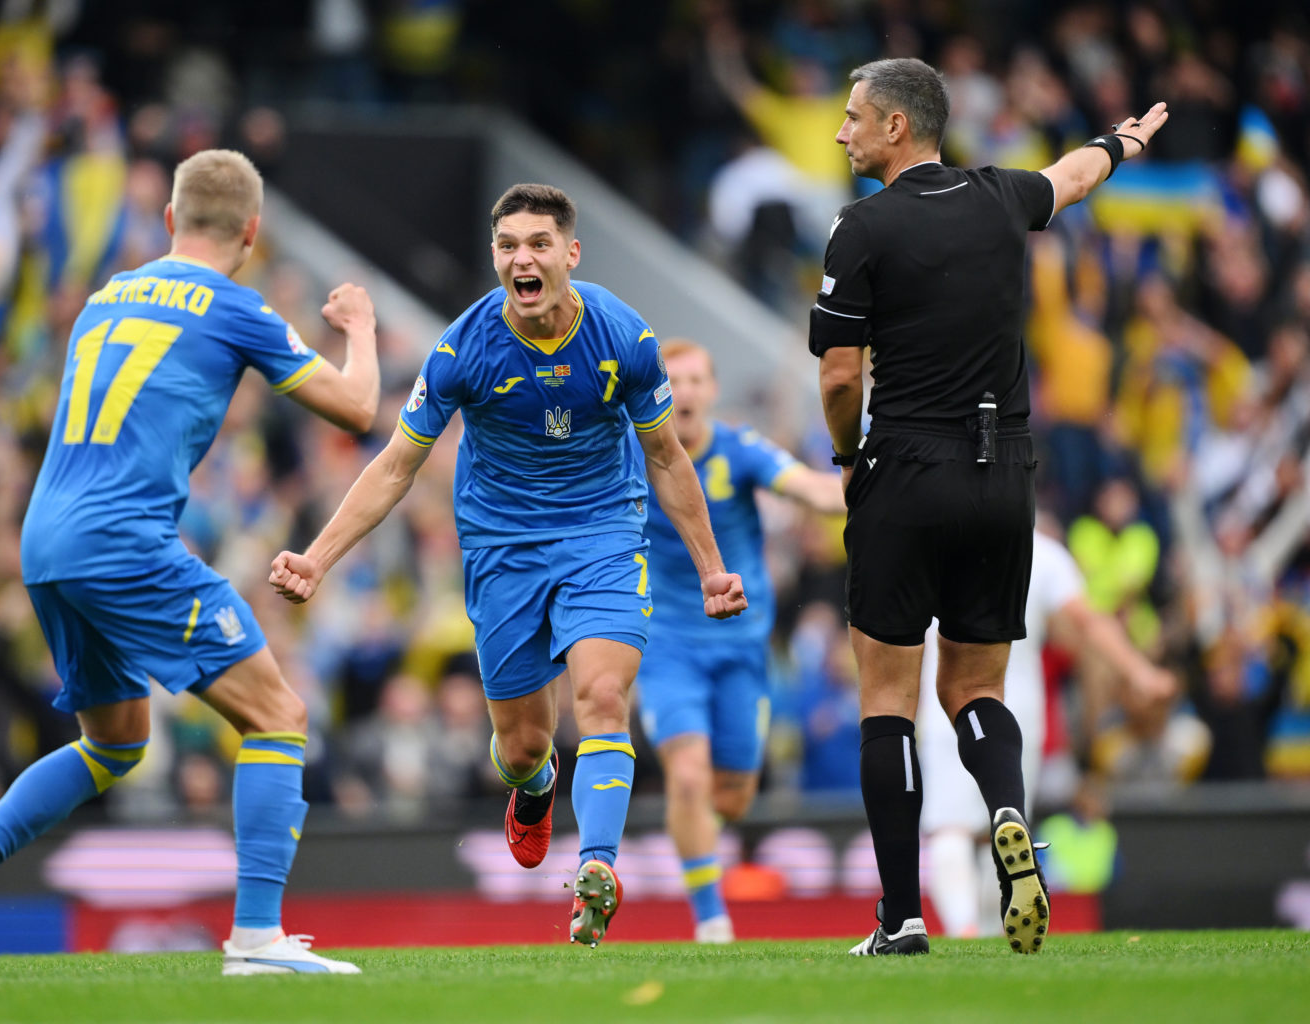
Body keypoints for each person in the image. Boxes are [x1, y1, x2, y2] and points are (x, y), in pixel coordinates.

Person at [0, 150, 381, 977]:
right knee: (277, 716)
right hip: (123, 541)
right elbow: (359, 407)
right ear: (252, 233)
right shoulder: (237, 305)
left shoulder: (103, 299)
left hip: (45, 540)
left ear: (169, 221)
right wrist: (361, 327)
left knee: (116, 741)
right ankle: (257, 940)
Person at [269, 183, 747, 948]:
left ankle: (595, 869)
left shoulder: (626, 338)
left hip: (603, 535)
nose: (521, 258)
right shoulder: (462, 348)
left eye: (537, 244)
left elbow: (665, 456)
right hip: (503, 546)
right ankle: (534, 791)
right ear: (496, 257)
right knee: (525, 744)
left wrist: (710, 566)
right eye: (507, 246)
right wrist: (318, 558)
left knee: (600, 696)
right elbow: (396, 465)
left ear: (570, 254)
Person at [809, 57, 1168, 955]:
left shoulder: (859, 228)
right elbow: (1076, 178)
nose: (843, 132)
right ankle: (1010, 813)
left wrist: (849, 456)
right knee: (976, 688)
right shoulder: (1002, 195)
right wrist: (1120, 142)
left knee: (888, 699)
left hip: (906, 469)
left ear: (898, 127)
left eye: (855, 118)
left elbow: (841, 374)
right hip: (1005, 473)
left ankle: (899, 918)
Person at [636, 339, 844, 942]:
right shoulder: (632, 451)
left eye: (698, 379)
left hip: (741, 647)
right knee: (689, 776)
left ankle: (709, 847)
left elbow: (811, 489)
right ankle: (710, 918)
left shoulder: (738, 449)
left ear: (713, 391)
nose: (687, 392)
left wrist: (874, 481)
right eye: (674, 380)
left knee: (731, 795)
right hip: (667, 645)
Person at [918, 526, 1176, 938]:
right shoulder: (1042, 551)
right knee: (1001, 829)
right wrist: (1139, 671)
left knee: (949, 829)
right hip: (1016, 709)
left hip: (944, 702)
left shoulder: (933, 541)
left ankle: (964, 928)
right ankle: (987, 933)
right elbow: (1087, 621)